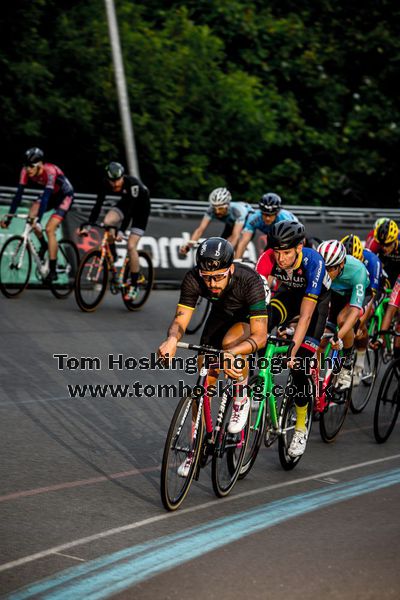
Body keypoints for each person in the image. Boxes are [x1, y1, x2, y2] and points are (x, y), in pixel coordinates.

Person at [158, 237, 268, 476]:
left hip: (246, 317)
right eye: (207, 278)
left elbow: (260, 337)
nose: (212, 283)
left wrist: (232, 353)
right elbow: (181, 320)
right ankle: (195, 448)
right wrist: (172, 339)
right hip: (221, 313)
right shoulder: (194, 278)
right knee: (204, 377)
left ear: (230, 269)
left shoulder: (249, 281)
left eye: (218, 276)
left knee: (230, 344)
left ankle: (241, 396)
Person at [256, 220, 331, 458]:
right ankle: (256, 384)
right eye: (277, 252)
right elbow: (257, 298)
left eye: (286, 253)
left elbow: (307, 315)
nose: (280, 259)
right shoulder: (268, 257)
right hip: (287, 294)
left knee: (299, 364)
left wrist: (292, 349)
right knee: (261, 324)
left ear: (299, 247)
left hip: (316, 303)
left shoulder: (313, 262)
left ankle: (300, 427)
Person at [0, 147, 74, 283]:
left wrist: (39, 220)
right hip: (51, 194)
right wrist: (9, 217)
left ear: (40, 164)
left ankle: (53, 270)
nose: (28, 169)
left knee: (50, 228)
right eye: (25, 165)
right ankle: (43, 245)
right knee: (31, 215)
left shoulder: (50, 170)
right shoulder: (25, 171)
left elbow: (45, 197)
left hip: (64, 196)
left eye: (31, 166)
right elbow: (18, 195)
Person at [79, 162, 150, 301]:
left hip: (141, 209)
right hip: (126, 203)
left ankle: (135, 284)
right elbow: (97, 205)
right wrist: (88, 225)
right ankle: (113, 255)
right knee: (107, 222)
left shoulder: (132, 184)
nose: (115, 184)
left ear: (123, 177)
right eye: (112, 181)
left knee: (131, 246)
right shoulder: (105, 183)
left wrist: (122, 231)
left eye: (118, 180)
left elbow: (130, 212)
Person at [317, 240, 371, 391]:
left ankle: (347, 363)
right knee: (320, 339)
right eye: (324, 268)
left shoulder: (357, 270)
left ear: (341, 265)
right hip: (336, 295)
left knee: (343, 321)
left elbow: (354, 312)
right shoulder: (320, 267)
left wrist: (338, 336)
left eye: (331, 269)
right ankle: (315, 376)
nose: (326, 273)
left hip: (358, 295)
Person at [341, 234, 383, 385]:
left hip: (369, 290)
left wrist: (359, 323)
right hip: (349, 287)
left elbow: (369, 299)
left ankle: (359, 363)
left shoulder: (372, 262)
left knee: (359, 323)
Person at [179, 187, 254, 254]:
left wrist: (225, 253)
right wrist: (188, 246)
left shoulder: (237, 211)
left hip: (248, 221)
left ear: (227, 205)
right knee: (221, 243)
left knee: (237, 243)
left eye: (220, 208)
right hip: (231, 222)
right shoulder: (211, 210)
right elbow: (200, 230)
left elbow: (235, 236)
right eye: (215, 208)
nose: (217, 211)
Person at [235, 193, 299, 259]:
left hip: (292, 233)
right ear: (261, 212)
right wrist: (236, 262)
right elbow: (243, 241)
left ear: (277, 213)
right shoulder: (254, 217)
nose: (267, 218)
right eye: (265, 214)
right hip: (273, 236)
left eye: (271, 215)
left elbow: (294, 240)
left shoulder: (285, 218)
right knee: (266, 256)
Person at [367, 219, 400, 288]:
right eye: (381, 244)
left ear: (395, 240)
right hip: (387, 264)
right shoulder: (375, 243)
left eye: (388, 244)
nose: (384, 248)